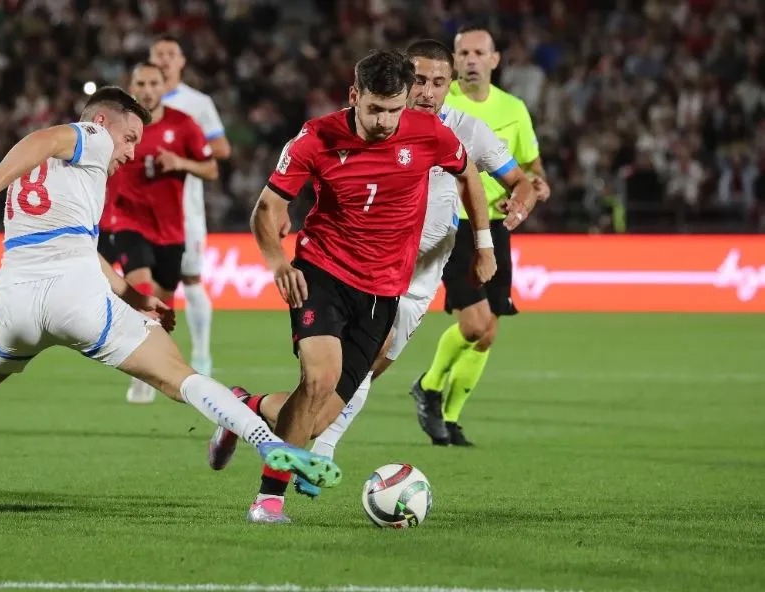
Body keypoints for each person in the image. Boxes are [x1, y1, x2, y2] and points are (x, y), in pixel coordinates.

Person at [0, 86, 340, 519]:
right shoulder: (89, 135)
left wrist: (134, 295)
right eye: (130, 138)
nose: (131, 152)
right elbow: (50, 135)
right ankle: (264, 440)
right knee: (179, 376)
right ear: (102, 121)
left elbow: (79, 244)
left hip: (16, 304)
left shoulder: (56, 175)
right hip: (77, 300)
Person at [207, 40, 535, 497]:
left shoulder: (447, 132)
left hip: (403, 283)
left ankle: (246, 409)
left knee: (331, 400)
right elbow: (272, 201)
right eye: (416, 82)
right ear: (360, 94)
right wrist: (279, 251)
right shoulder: (326, 135)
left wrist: (486, 242)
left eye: (436, 83)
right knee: (321, 380)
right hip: (332, 270)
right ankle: (291, 479)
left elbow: (485, 178)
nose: (423, 94)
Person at [412, 23, 553, 446]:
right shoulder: (435, 98)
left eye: (480, 53)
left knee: (489, 331)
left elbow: (530, 167)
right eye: (464, 53)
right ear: (453, 63)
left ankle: (450, 421)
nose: (471, 60)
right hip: (451, 224)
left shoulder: (513, 109)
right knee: (475, 325)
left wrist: (532, 192)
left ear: (494, 60)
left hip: (495, 225)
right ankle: (431, 386)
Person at [109, 63, 218, 405]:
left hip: (171, 230)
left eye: (153, 82)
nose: (147, 88)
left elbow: (211, 167)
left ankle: (155, 368)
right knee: (141, 292)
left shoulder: (183, 124)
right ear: (132, 86)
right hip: (128, 223)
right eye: (140, 82)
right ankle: (142, 373)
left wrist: (181, 163)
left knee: (163, 309)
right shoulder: (115, 125)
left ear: (163, 87)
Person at [149, 34, 232, 377]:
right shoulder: (136, 103)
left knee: (191, 278)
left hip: (185, 209)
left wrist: (182, 157)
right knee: (145, 285)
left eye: (172, 53)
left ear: (182, 61)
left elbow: (222, 150)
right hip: (139, 210)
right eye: (159, 54)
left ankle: (200, 357)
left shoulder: (197, 103)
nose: (166, 59)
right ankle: (151, 360)